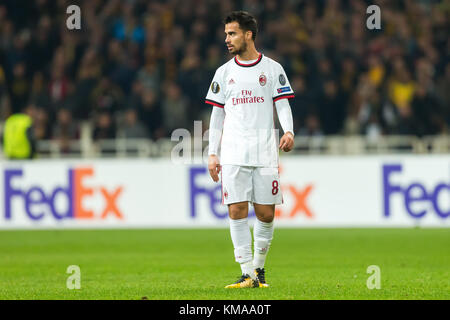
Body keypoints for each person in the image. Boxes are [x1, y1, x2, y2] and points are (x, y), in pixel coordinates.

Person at [206, 11, 295, 288]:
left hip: (265, 151)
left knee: (266, 214)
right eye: (225, 34)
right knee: (236, 210)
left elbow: (282, 103)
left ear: (248, 35)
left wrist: (289, 130)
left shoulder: (272, 69)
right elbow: (217, 115)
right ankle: (246, 272)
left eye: (231, 33)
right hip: (233, 152)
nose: (227, 39)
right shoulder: (224, 73)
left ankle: (258, 269)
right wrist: (212, 152)